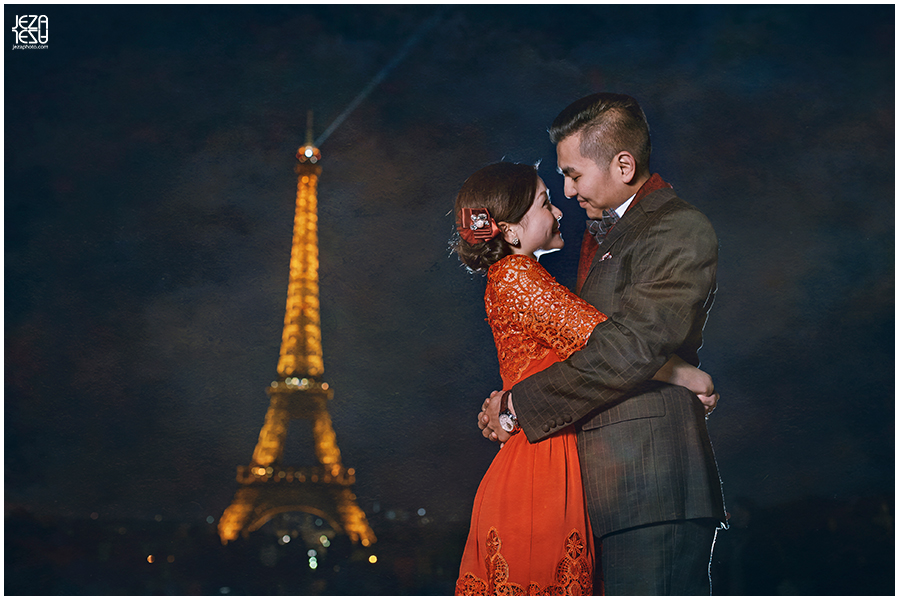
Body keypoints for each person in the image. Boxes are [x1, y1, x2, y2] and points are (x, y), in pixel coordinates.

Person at [479, 93, 727, 595]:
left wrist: (517, 406)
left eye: (572, 175)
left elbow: (628, 349)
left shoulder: (677, 227)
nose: (568, 193)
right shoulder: (608, 235)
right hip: (603, 494)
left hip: (650, 487)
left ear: (623, 163)